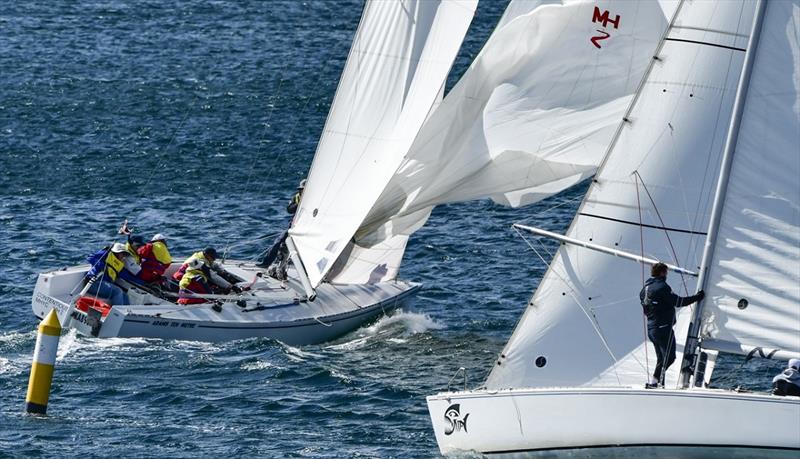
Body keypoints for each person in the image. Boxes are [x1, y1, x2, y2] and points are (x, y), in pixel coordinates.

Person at [639, 262, 705, 388]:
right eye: (666, 273)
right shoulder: (662, 287)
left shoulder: (645, 288)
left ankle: (656, 383)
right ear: (663, 273)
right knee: (669, 358)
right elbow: (678, 302)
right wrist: (697, 297)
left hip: (652, 329)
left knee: (661, 358)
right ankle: (655, 383)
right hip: (663, 329)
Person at [259, 178, 306, 279]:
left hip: (307, 227)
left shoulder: (314, 198)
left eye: (303, 189)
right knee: (280, 243)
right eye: (300, 189)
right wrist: (300, 204)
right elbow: (289, 209)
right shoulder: (296, 197)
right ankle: (267, 263)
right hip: (294, 226)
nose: (301, 191)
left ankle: (308, 272)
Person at [173, 247, 240, 304]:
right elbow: (213, 277)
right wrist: (230, 286)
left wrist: (223, 272)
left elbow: (212, 264)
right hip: (184, 282)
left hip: (183, 293)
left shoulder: (200, 256)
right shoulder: (199, 276)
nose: (214, 259)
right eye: (213, 258)